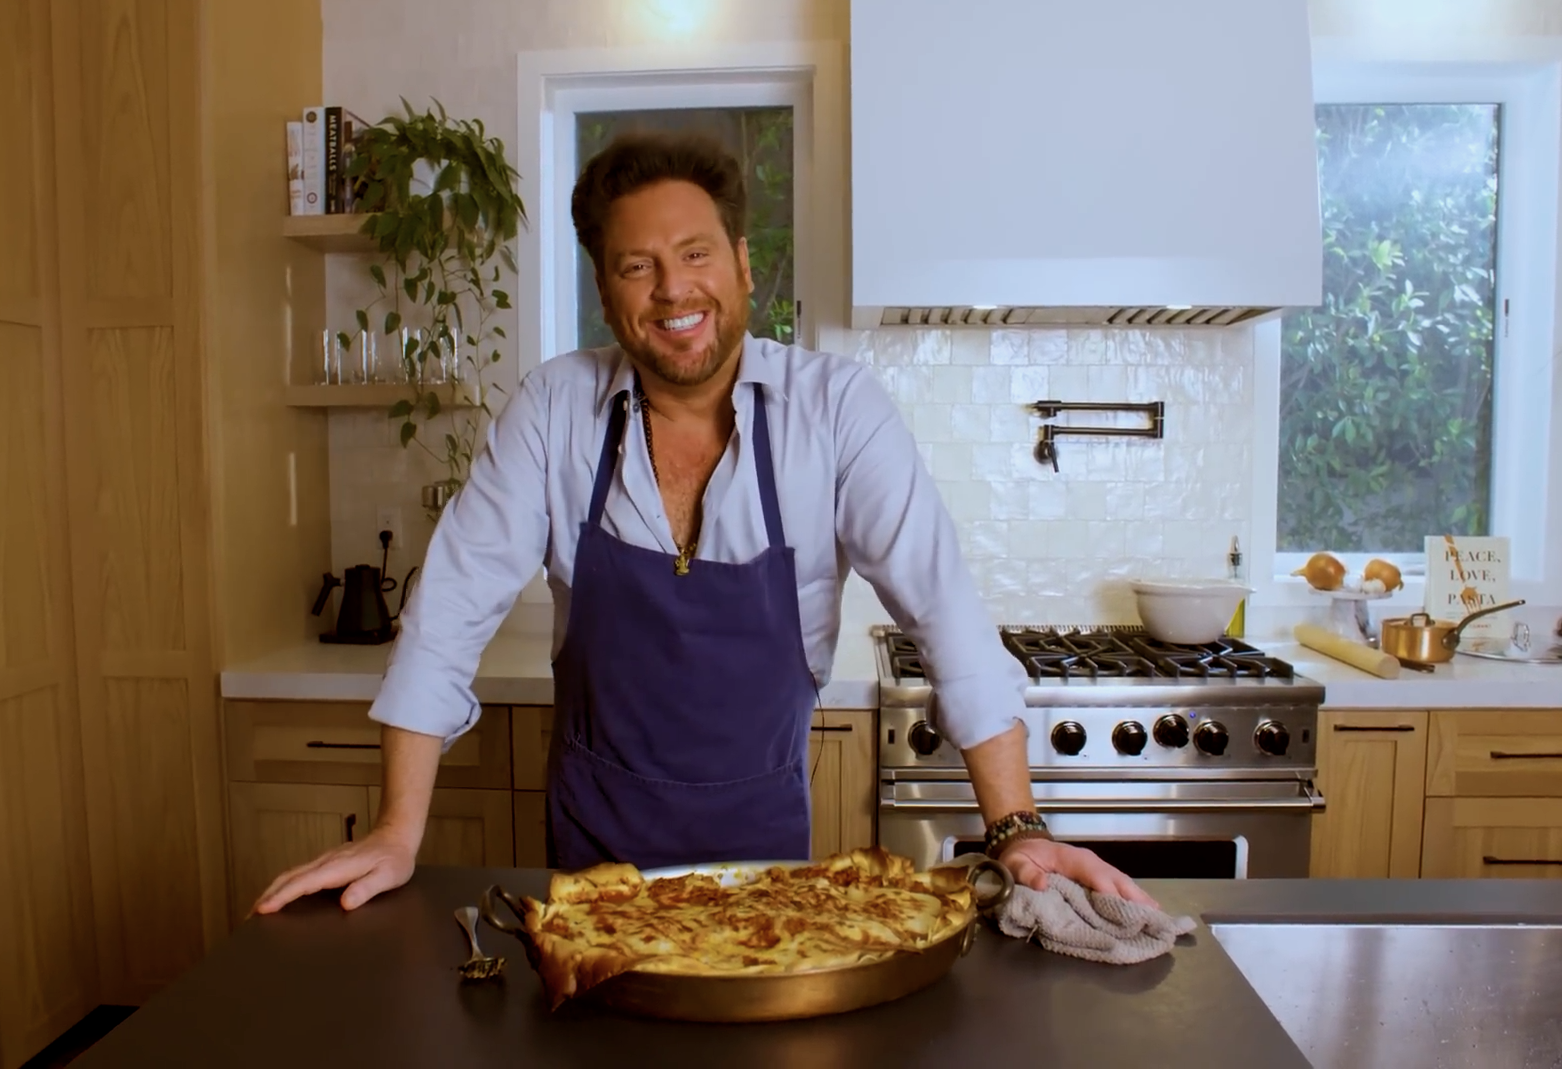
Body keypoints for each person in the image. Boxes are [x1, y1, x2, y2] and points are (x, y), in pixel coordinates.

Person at [254, 131, 1151, 915]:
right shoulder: (555, 411)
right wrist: (396, 831)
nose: (671, 289)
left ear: (744, 264)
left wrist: (1018, 828)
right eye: (635, 265)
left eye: (695, 254)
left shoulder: (835, 411)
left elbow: (944, 612)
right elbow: (447, 612)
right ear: (605, 294)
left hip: (762, 868)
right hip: (590, 870)